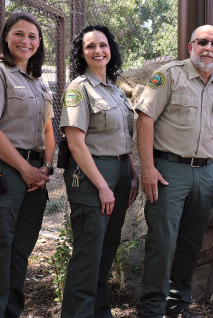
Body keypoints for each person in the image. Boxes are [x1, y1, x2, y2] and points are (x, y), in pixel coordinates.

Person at [135, 25, 213, 318]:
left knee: (191, 241)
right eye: (202, 42)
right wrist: (147, 169)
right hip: (168, 171)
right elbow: (144, 119)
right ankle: (151, 308)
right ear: (191, 46)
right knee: (163, 240)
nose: (208, 48)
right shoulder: (169, 76)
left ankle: (178, 304)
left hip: (203, 174)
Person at [0, 11, 54, 318]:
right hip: (6, 172)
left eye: (33, 36)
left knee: (20, 251)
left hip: (36, 175)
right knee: (0, 250)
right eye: (19, 34)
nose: (26, 41)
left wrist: (44, 168)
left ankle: (10, 313)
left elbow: (48, 130)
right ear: (6, 37)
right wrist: (24, 168)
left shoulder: (39, 82)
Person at [59, 24, 139, 318]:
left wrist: (131, 174)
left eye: (103, 45)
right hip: (93, 174)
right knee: (89, 251)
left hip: (119, 171)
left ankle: (99, 311)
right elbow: (76, 144)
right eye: (90, 46)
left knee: (108, 245)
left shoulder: (116, 91)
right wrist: (103, 187)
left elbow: (123, 138)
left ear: (111, 49)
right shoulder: (79, 89)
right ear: (82, 53)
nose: (98, 51)